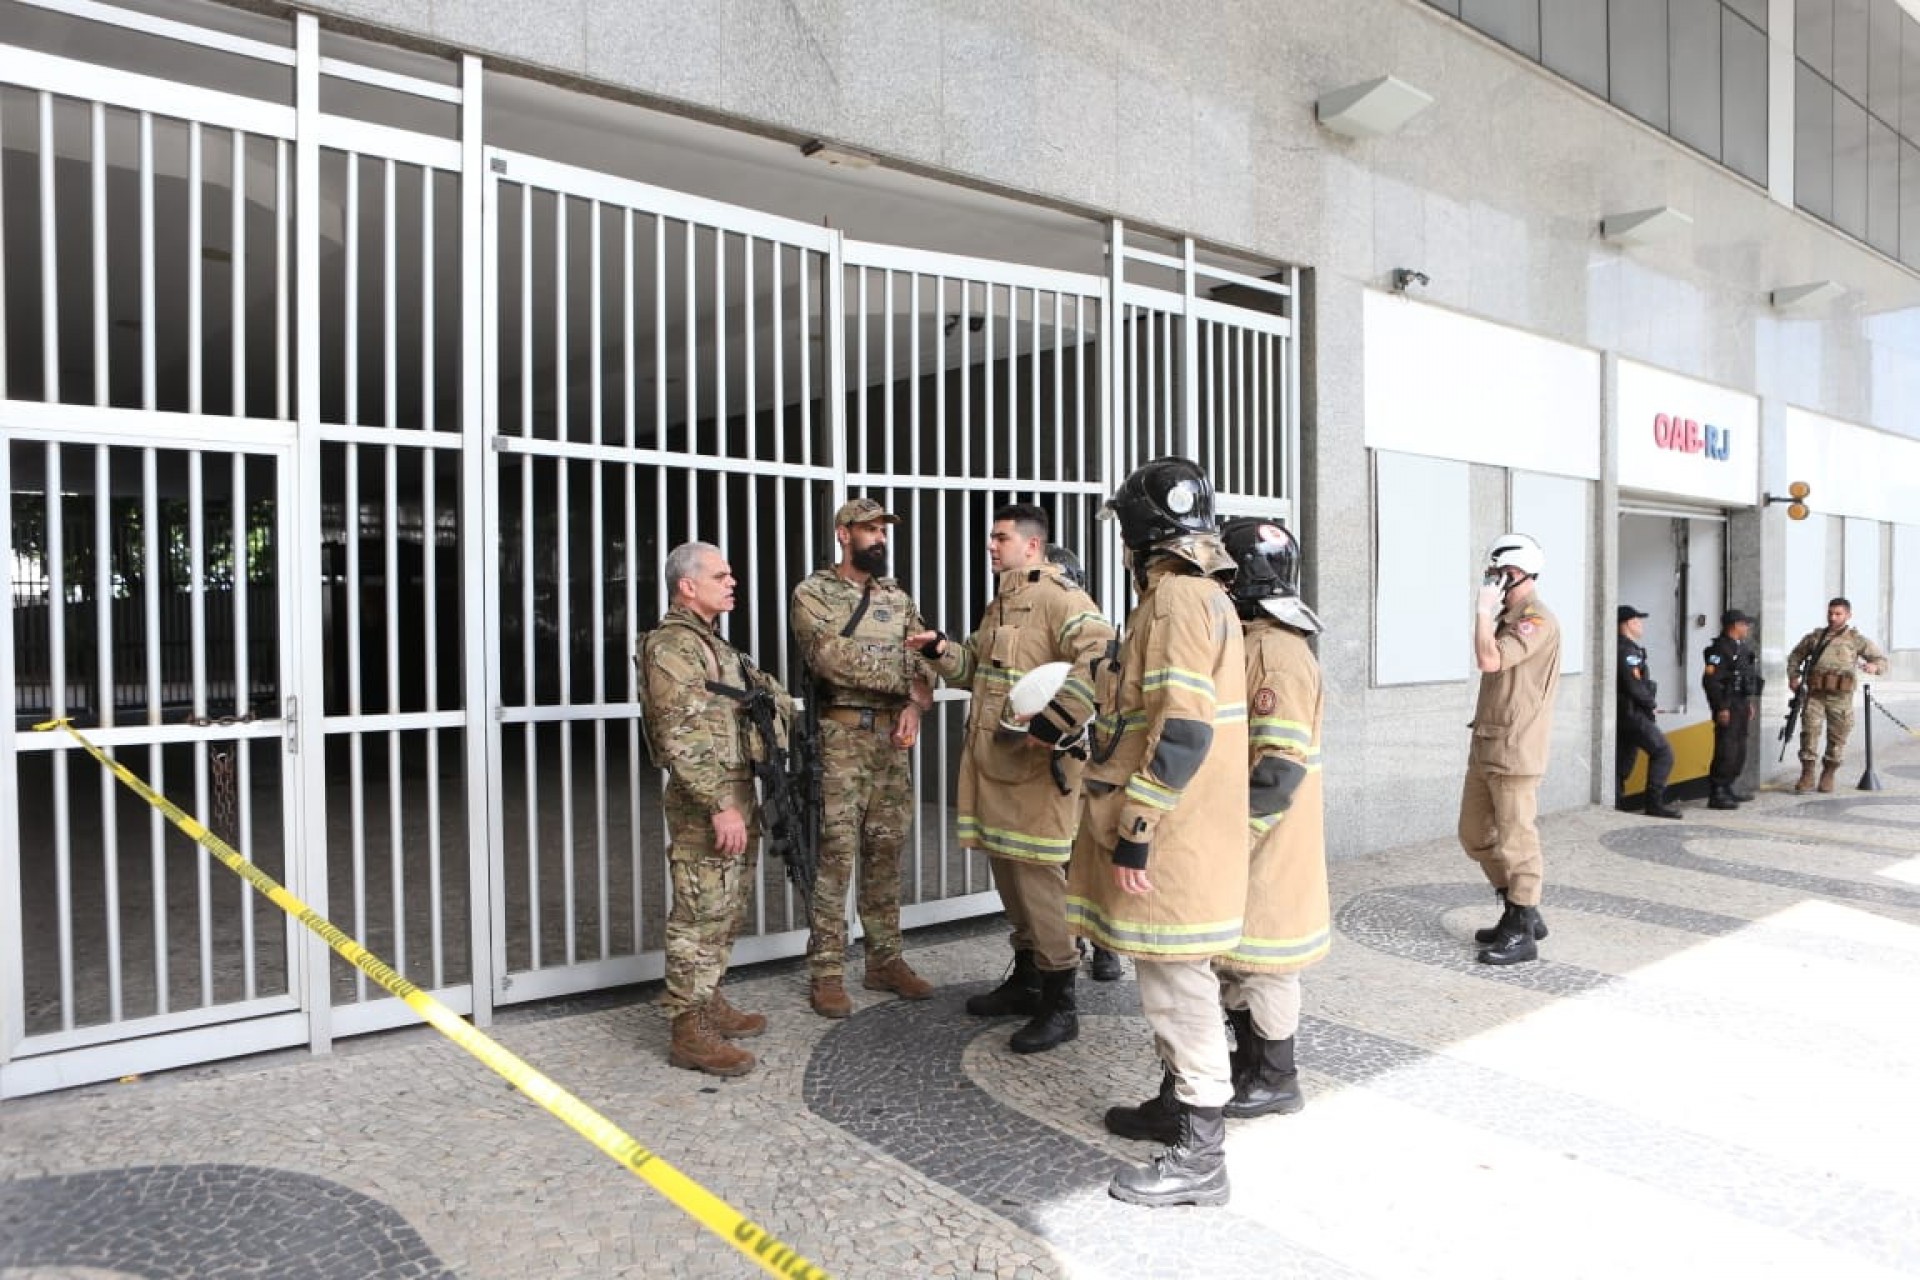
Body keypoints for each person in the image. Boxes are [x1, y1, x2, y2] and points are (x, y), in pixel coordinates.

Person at [1066, 457, 1249, 1209]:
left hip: (1171, 833)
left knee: (1178, 989)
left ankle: (1201, 1158)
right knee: (1172, 980)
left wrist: (1137, 827)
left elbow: (1181, 727)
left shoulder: (1176, 599)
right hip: (1190, 824)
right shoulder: (1201, 595)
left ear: (1144, 532)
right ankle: (1178, 1104)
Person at [908, 506, 1115, 1053]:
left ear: (1033, 545)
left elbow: (1102, 654)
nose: (991, 545)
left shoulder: (1061, 598)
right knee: (1011, 882)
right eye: (991, 536)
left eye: (1000, 537)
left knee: (1040, 886)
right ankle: (1027, 980)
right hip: (994, 769)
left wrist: (1058, 719)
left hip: (1036, 776)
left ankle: (1059, 1001)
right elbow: (975, 668)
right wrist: (940, 651)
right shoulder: (1001, 602)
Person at [642, 541, 794, 1077]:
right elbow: (678, 733)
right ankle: (688, 1028)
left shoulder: (718, 646)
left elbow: (764, 700)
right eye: (720, 575)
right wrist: (717, 805)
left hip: (736, 790)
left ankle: (708, 998)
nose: (732, 581)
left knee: (727, 905)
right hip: (706, 799)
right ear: (687, 586)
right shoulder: (671, 648)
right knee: (699, 910)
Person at [790, 498, 937, 1018]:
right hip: (841, 741)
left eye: (882, 529)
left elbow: (927, 659)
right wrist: (902, 672)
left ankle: (884, 960)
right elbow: (833, 662)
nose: (879, 538)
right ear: (842, 535)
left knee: (885, 854)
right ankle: (827, 972)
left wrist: (916, 706)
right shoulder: (813, 594)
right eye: (868, 529)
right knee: (835, 858)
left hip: (891, 747)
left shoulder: (897, 597)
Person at [1460, 533, 1562, 966]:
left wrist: (1483, 610)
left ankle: (1522, 928)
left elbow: (1490, 659)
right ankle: (1519, 907)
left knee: (1518, 838)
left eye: (1498, 573)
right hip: (1487, 741)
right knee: (1474, 834)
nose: (1492, 581)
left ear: (1517, 573)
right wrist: (1489, 612)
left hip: (1516, 748)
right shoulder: (1508, 616)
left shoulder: (1534, 619)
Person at [1047, 541, 1124, 985]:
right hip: (1054, 759)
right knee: (1057, 858)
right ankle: (1066, 940)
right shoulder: (1041, 632)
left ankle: (1103, 945)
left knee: (1092, 852)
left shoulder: (1096, 634)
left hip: (1092, 758)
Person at [1786, 597, 1890, 793]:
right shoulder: (1815, 637)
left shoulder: (1856, 640)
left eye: (1838, 614)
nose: (1833, 618)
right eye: (1830, 613)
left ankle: (1828, 774)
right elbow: (1795, 656)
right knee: (1809, 733)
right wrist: (1793, 676)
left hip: (1841, 698)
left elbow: (1882, 661)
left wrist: (1874, 667)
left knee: (1837, 737)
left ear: (1848, 615)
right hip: (1815, 695)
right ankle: (1807, 774)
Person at [1615, 605, 1680, 819]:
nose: (1640, 625)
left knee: (1622, 762)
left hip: (1626, 714)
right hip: (1633, 714)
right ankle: (1654, 803)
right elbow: (1634, 685)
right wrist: (1651, 704)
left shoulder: (1624, 648)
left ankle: (1616, 803)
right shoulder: (1627, 650)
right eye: (1637, 621)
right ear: (1628, 624)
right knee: (1663, 753)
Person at [1701, 609, 1759, 809]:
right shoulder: (1719, 650)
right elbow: (1711, 681)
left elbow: (1744, 678)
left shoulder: (1741, 647)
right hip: (1727, 703)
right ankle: (1717, 792)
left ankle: (1728, 787)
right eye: (1744, 624)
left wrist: (1748, 702)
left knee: (1739, 748)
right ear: (1735, 625)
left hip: (1740, 703)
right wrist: (1721, 708)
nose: (1747, 628)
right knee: (1726, 748)